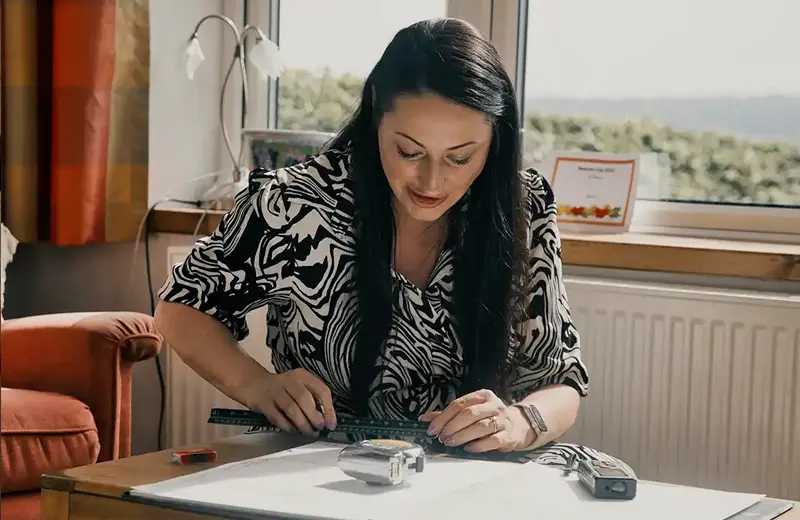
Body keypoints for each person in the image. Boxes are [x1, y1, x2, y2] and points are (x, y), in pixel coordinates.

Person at [155, 18, 591, 459]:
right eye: (409, 151)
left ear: (495, 139)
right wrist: (255, 384)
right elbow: (181, 307)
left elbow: (561, 381)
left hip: (474, 470)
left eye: (460, 158)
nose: (432, 181)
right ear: (377, 112)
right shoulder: (296, 203)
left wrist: (520, 422)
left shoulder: (524, 205)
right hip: (322, 467)